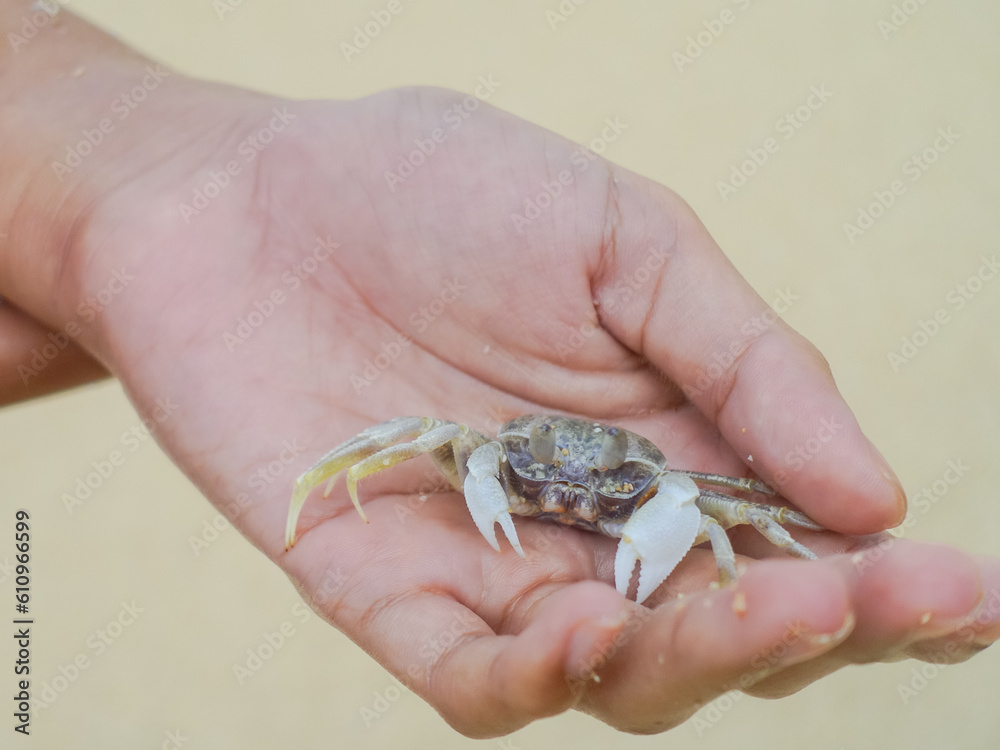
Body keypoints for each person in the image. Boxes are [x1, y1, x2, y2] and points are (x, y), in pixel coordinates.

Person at [0, 2, 995, 737]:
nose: (561, 492)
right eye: (536, 474)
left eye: (588, 484)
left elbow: (732, 508)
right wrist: (118, 208)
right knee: (414, 438)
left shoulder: (647, 487)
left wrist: (115, 197)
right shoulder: (490, 454)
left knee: (754, 522)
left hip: (635, 493)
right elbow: (406, 438)